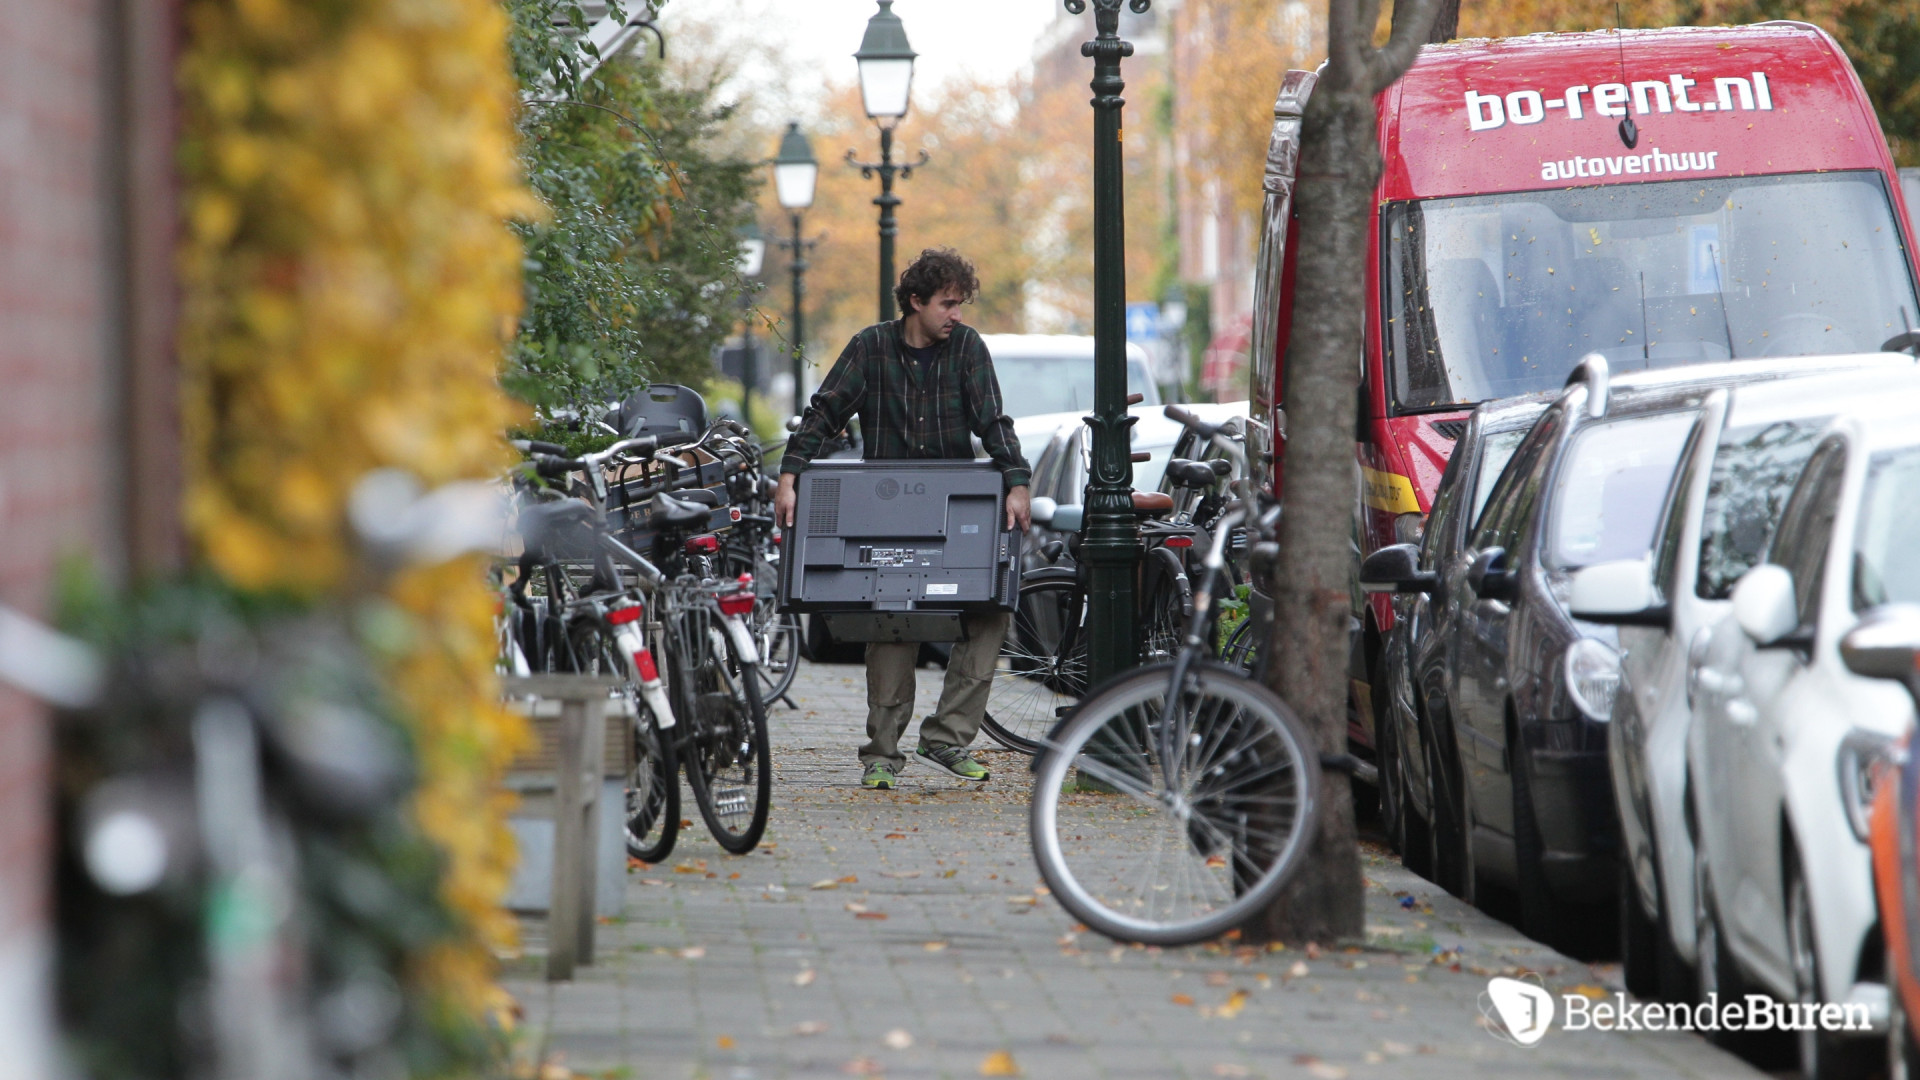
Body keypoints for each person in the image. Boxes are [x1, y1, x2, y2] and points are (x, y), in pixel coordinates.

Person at [775, 248, 1031, 790]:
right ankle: (882, 756)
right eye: (947, 303)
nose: (956, 314)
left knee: (989, 612)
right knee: (891, 619)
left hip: (958, 501)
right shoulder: (869, 347)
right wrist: (790, 475)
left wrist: (1017, 480)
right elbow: (824, 412)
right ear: (915, 302)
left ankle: (946, 738)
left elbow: (993, 419)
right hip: (886, 506)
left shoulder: (967, 348)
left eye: (960, 304)